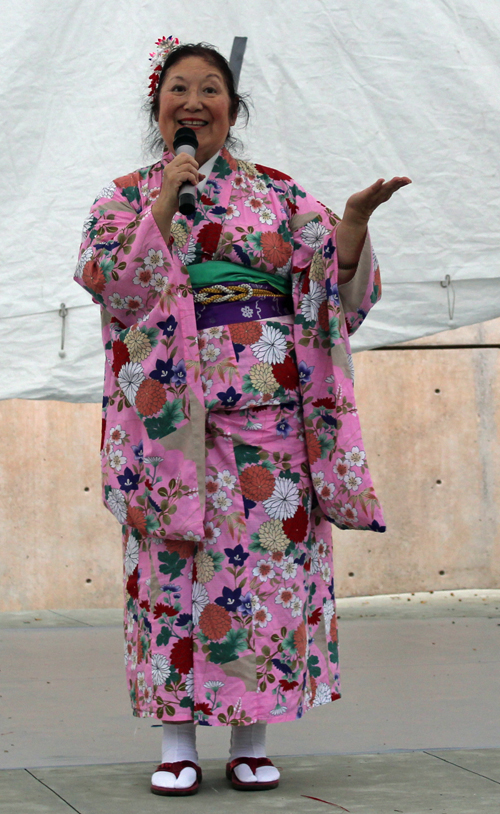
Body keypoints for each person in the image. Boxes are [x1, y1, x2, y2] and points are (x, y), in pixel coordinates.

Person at [74, 35, 411, 796]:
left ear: (234, 106)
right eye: (178, 91)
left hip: (269, 420)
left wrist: (352, 224)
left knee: (263, 577)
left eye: (211, 91)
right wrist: (165, 202)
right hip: (170, 427)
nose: (195, 103)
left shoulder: (281, 194)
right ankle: (175, 742)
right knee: (173, 576)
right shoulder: (123, 197)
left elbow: (333, 286)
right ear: (156, 107)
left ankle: (252, 737)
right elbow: (116, 289)